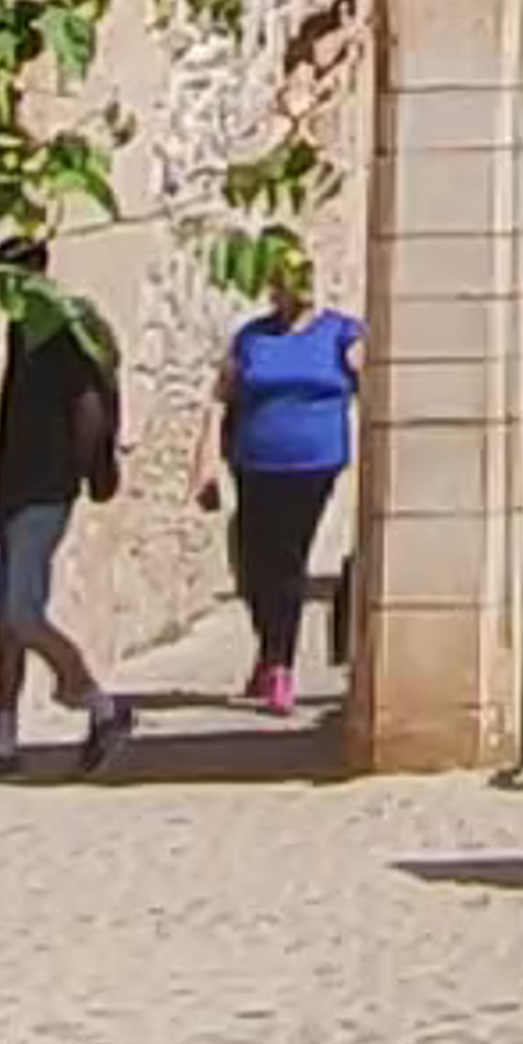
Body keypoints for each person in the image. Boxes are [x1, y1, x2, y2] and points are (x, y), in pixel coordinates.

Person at [193, 243, 361, 717]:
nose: (295, 289)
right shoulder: (251, 338)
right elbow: (221, 399)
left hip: (312, 464)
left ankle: (280, 667)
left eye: (303, 277)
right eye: (286, 279)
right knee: (250, 562)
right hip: (252, 462)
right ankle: (269, 648)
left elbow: (374, 383)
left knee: (286, 561)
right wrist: (204, 463)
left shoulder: (341, 333)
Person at [0, 253, 138, 768]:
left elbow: (88, 405)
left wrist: (91, 468)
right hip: (13, 485)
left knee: (18, 611)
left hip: (44, 487)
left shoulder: (59, 330)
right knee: (4, 617)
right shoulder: (23, 327)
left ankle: (99, 704)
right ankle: (4, 740)